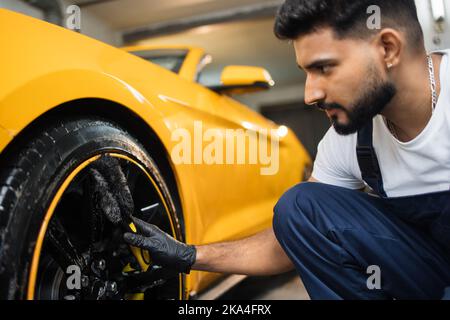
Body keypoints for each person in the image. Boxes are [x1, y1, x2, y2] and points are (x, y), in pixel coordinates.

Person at [123, 0, 450, 299]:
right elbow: (290, 238)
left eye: (323, 68)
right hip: (431, 272)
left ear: (388, 49)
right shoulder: (349, 139)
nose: (310, 95)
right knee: (301, 206)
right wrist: (190, 255)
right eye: (306, 73)